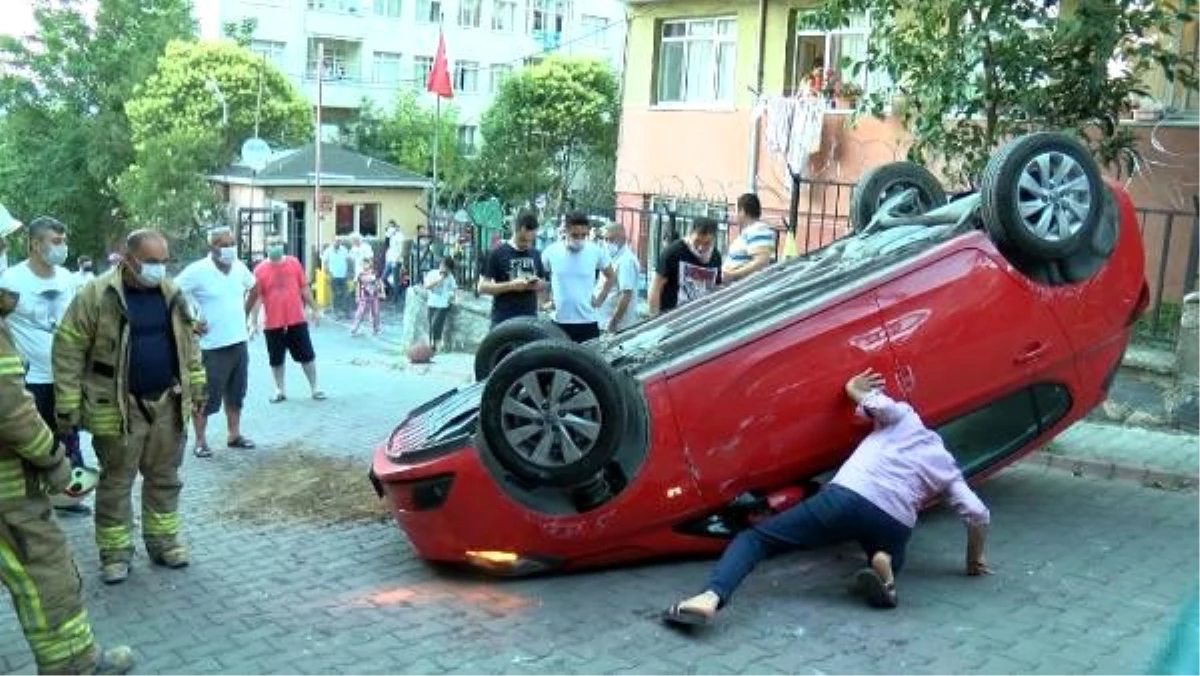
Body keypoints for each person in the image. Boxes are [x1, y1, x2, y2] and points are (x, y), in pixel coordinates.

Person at [662, 368, 992, 626]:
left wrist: (852, 386)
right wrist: (973, 560)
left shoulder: (905, 417)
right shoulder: (948, 466)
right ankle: (885, 564)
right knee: (891, 550)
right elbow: (977, 514)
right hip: (895, 520)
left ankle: (711, 597)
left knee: (757, 540)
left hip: (850, 495)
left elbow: (864, 398)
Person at [53, 229, 208, 585]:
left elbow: (190, 345)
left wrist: (197, 386)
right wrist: (68, 405)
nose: (159, 268)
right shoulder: (96, 295)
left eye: (164, 261)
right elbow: (68, 349)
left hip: (168, 403)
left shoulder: (172, 293)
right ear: (128, 257)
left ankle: (164, 542)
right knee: (116, 484)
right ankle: (115, 554)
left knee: (165, 478)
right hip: (118, 408)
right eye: (152, 261)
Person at [0, 316, 136, 674]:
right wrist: (57, 464)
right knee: (47, 575)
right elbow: (12, 412)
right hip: (8, 496)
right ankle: (73, 664)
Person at [0, 217, 94, 492]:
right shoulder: (11, 280)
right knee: (35, 441)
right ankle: (38, 493)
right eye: (56, 241)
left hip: (66, 376)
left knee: (70, 435)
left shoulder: (67, 278)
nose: (62, 247)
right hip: (32, 379)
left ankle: (69, 493)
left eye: (64, 241)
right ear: (35, 244)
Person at [175, 226, 257, 459]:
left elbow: (255, 287)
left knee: (236, 393)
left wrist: (244, 314)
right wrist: (189, 322)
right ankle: (200, 442)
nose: (229, 248)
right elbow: (170, 293)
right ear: (210, 247)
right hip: (212, 347)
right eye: (223, 244)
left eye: (232, 243)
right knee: (204, 397)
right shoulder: (198, 271)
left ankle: (234, 435)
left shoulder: (239, 267)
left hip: (238, 343)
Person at [246, 237, 326, 403]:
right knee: (276, 359)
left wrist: (315, 308)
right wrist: (253, 323)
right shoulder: (259, 270)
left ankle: (315, 388)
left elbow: (304, 288)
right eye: (271, 244)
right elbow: (257, 298)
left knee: (307, 356)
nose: (275, 246)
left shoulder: (294, 263)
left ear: (282, 245)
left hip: (296, 319)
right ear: (266, 246)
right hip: (272, 322)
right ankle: (279, 390)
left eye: (278, 243)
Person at [541, 211, 615, 343]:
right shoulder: (551, 252)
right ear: (565, 231)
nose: (579, 239)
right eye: (575, 235)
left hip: (587, 321)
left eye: (583, 235)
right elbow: (540, 278)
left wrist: (599, 300)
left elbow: (611, 276)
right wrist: (544, 301)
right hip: (559, 322)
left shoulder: (595, 251)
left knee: (588, 362)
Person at [478, 211, 546, 329]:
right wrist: (511, 286)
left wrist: (538, 285)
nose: (527, 244)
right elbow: (482, 287)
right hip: (503, 321)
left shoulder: (536, 254)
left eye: (531, 241)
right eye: (524, 240)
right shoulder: (496, 253)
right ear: (518, 229)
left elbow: (543, 284)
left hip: (529, 321)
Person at [648, 217, 723, 316]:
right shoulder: (674, 252)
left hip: (700, 318)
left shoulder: (715, 256)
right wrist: (654, 317)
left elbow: (716, 287)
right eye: (697, 241)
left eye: (707, 243)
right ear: (690, 234)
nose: (701, 248)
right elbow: (656, 286)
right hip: (672, 317)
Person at [594, 222, 642, 334]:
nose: (607, 243)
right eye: (605, 239)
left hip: (615, 327)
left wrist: (614, 322)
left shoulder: (626, 261)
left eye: (611, 239)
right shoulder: (611, 258)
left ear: (623, 238)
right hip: (603, 321)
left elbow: (626, 294)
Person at [722, 193, 778, 283]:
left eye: (736, 210)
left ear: (743, 211)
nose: (735, 214)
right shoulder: (752, 231)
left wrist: (733, 275)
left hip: (743, 289)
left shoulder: (758, 230)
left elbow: (761, 262)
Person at [424, 257, 458, 352]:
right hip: (431, 303)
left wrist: (455, 298)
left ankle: (436, 343)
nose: (443, 269)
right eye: (442, 266)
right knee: (431, 325)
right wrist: (438, 280)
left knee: (437, 324)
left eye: (446, 268)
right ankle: (432, 345)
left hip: (443, 305)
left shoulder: (450, 277)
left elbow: (455, 288)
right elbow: (426, 286)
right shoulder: (432, 274)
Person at [350, 262, 385, 337]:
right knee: (360, 313)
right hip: (364, 296)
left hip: (374, 295)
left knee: (375, 312)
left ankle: (376, 329)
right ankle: (354, 328)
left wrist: (382, 292)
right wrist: (357, 296)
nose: (365, 265)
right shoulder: (360, 275)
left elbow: (380, 282)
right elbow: (358, 286)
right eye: (364, 264)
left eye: (367, 264)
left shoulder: (374, 273)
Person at [321, 238, 351, 318]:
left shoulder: (344, 249)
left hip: (343, 275)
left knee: (346, 294)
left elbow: (348, 261)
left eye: (339, 241)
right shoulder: (328, 251)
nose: (337, 243)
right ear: (332, 241)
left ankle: (346, 312)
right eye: (335, 241)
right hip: (333, 276)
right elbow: (324, 263)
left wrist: (348, 272)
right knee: (336, 294)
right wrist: (327, 274)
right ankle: (336, 312)